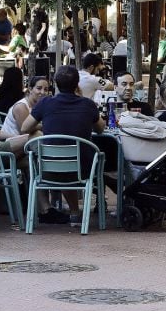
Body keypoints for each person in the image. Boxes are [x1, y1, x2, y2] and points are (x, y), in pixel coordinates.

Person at [21, 66, 106, 226]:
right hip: (82, 170)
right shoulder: (88, 105)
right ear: (77, 84)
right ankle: (78, 211)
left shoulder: (46, 102)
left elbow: (25, 128)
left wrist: (46, 123)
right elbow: (101, 129)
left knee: (63, 159)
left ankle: (67, 210)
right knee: (81, 158)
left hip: (48, 169)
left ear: (56, 84)